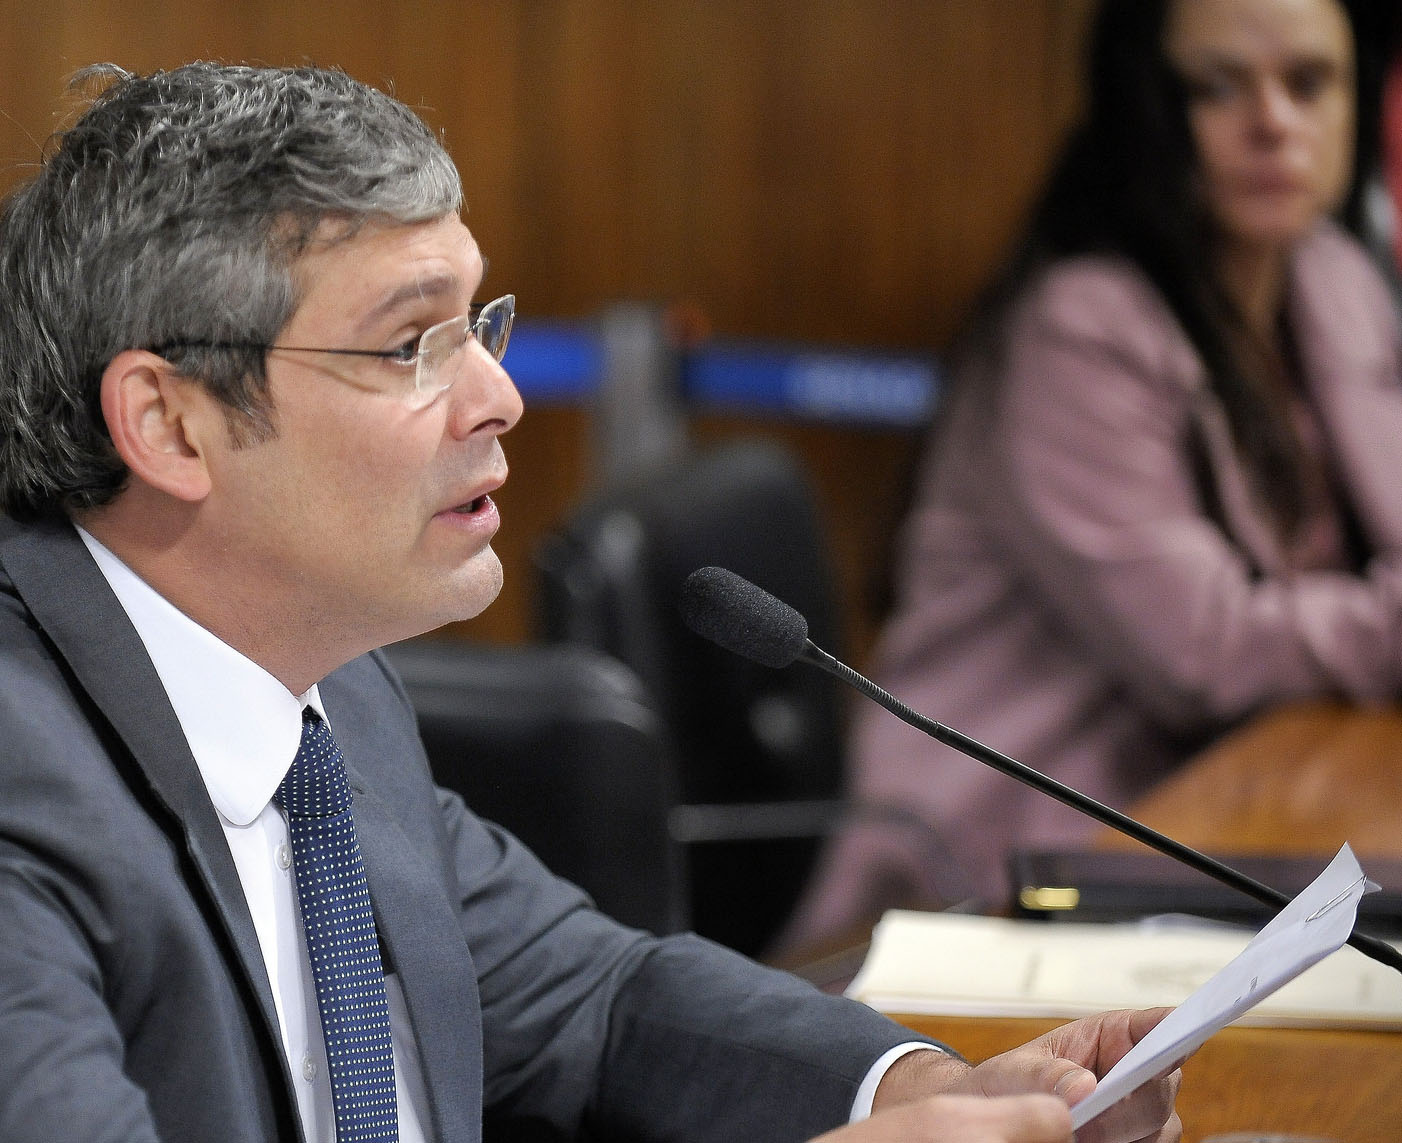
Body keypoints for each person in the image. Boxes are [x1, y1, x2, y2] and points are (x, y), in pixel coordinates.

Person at [0, 62, 1180, 1143]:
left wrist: (919, 1088)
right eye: (410, 345)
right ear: (166, 422)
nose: (501, 397)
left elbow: (598, 999)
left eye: (479, 325)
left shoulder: (323, 683)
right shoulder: (24, 785)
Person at [779, 0, 1402, 949]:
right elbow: (1208, 653)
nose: (1275, 120)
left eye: (1310, 83)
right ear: (1145, 108)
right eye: (1218, 86)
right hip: (1004, 867)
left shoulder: (1332, 278)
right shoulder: (1080, 326)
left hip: (1212, 821)